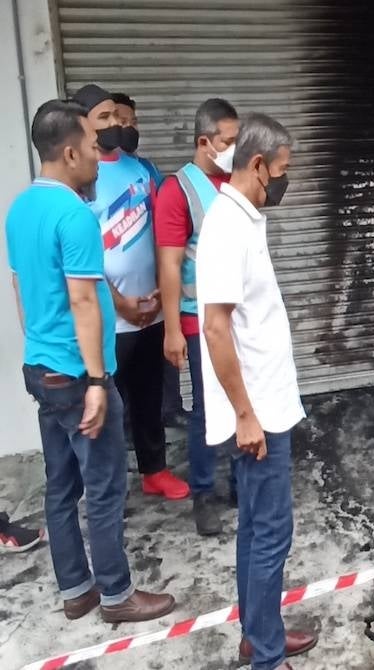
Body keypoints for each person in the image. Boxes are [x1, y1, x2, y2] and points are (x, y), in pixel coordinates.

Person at [6, 98, 175, 622]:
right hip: (79, 375)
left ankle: (75, 591)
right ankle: (117, 596)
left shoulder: (20, 208)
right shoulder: (74, 215)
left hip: (41, 369)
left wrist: (40, 345)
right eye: (91, 144)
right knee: (102, 489)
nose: (99, 155)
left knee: (61, 488)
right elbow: (84, 300)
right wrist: (98, 380)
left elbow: (21, 287)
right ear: (72, 150)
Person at [199, 113, 316, 670]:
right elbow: (215, 327)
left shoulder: (246, 217)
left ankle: (257, 632)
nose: (285, 181)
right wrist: (246, 415)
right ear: (258, 164)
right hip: (258, 412)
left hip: (268, 401)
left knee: (256, 528)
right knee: (271, 533)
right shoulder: (226, 225)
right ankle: (267, 658)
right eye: (283, 170)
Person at [70, 84, 189, 502]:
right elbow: (80, 254)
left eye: (119, 118)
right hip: (110, 316)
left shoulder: (142, 169)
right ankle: (107, 489)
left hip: (153, 307)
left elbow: (163, 230)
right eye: (105, 119)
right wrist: (119, 301)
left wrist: (162, 289)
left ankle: (154, 470)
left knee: (149, 396)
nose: (117, 125)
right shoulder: (84, 180)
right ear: (84, 126)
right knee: (106, 406)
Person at [154, 97, 240, 536]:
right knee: (208, 408)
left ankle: (241, 484)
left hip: (239, 314)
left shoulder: (236, 181)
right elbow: (169, 264)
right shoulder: (178, 191)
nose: (235, 148)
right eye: (227, 141)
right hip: (199, 318)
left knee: (245, 397)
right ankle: (204, 492)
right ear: (204, 142)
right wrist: (171, 328)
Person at [112, 91, 188, 429]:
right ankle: (125, 428)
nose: (128, 128)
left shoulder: (145, 169)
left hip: (154, 287)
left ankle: (169, 411)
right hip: (115, 302)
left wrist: (164, 279)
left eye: (133, 122)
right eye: (121, 122)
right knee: (120, 373)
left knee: (160, 359)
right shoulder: (90, 176)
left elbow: (164, 219)